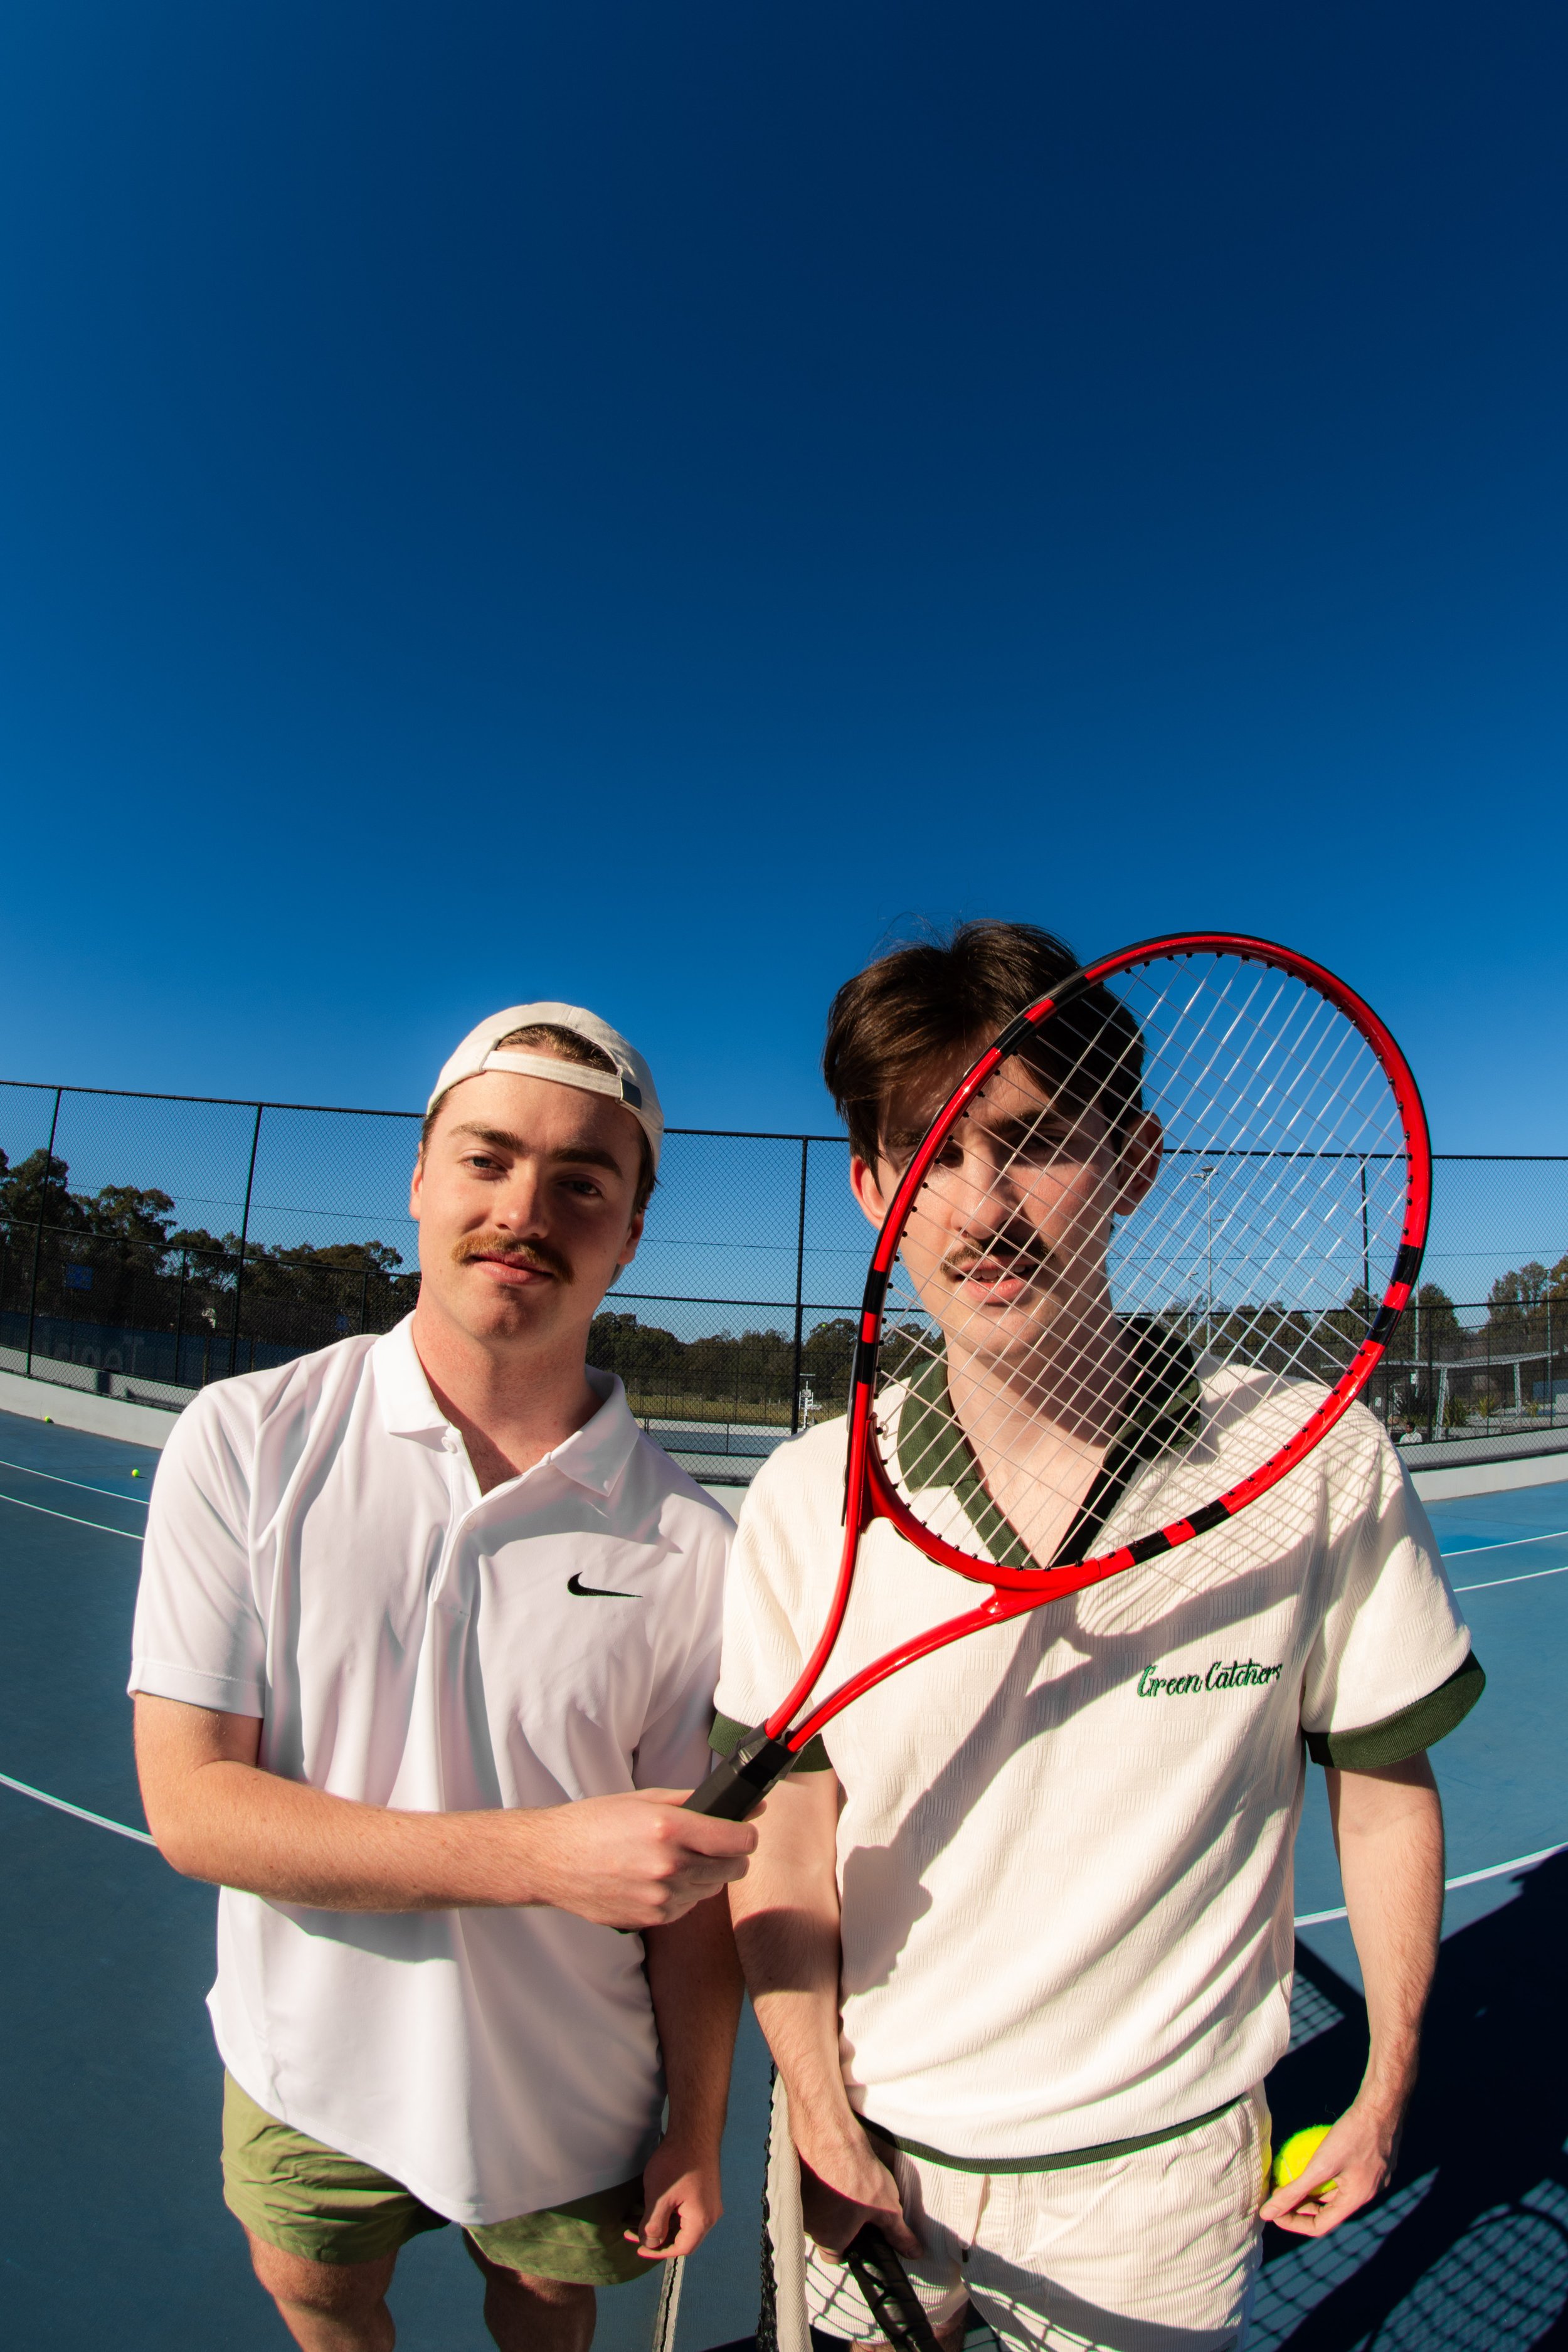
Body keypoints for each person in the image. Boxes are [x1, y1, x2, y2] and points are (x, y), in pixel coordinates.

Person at [714, 923, 1483, 2352]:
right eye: (931, 1154)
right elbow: (789, 1827)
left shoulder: (1316, 1458)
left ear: (1133, 1158)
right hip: (866, 2142)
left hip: (1157, 2191)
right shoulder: (803, 1500)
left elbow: (1381, 1786)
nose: (981, 1207)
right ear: (873, 1189)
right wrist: (814, 2106)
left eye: (1033, 1143)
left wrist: (1383, 2081)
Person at [131, 1003, 756, 2352]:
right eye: (487, 1158)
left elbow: (694, 1903)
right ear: (420, 1178)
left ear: (630, 1231)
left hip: (565, 2095)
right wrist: (541, 1857)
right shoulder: (244, 1440)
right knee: (315, 2291)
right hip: (304, 2066)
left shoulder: (693, 1547)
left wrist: (697, 2124)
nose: (523, 1209)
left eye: (581, 1181)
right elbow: (192, 1809)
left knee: (545, 2305)